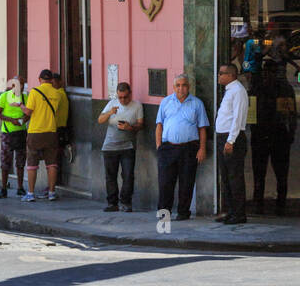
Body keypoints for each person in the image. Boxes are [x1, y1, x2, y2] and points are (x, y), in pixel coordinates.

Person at [155, 73, 208, 221]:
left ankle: (183, 213)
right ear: (173, 87)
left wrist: (202, 148)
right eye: (177, 85)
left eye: (184, 85)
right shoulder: (165, 102)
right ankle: (164, 214)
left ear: (188, 87)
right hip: (167, 148)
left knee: (187, 182)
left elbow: (202, 128)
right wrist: (159, 146)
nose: (181, 88)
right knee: (165, 183)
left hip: (189, 149)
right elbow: (159, 125)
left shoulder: (197, 103)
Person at [251, 58, 297, 214]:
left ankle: (280, 203)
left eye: (270, 72)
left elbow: (291, 114)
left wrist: (291, 133)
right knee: (259, 172)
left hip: (278, 135)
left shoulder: (283, 89)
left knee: (281, 172)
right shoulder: (257, 89)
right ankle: (259, 203)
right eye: (265, 71)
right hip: (261, 134)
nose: (267, 75)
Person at [98, 82, 144, 211]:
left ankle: (126, 202)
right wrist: (110, 113)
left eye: (125, 97)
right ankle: (112, 203)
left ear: (130, 94)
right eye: (120, 97)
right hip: (110, 146)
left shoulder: (137, 106)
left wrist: (130, 127)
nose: (122, 100)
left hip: (127, 146)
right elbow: (100, 120)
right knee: (110, 176)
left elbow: (141, 124)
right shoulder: (113, 103)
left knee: (128, 175)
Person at [19, 69, 63, 202]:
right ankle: (51, 192)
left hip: (35, 132)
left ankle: (31, 193)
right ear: (51, 80)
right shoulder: (57, 93)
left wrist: (21, 105)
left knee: (32, 163)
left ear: (39, 79)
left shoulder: (34, 92)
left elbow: (28, 111)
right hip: (51, 131)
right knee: (52, 164)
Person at [214, 62, 249, 225]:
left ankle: (239, 213)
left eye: (222, 73)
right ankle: (230, 210)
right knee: (226, 177)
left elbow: (238, 118)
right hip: (224, 137)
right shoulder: (229, 91)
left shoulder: (238, 91)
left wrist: (230, 140)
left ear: (231, 75)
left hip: (232, 138)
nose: (219, 76)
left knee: (235, 177)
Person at [0, 77, 28, 198]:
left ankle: (20, 187)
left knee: (20, 162)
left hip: (21, 132)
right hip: (7, 133)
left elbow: (28, 113)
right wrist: (11, 120)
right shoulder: (4, 96)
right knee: (5, 162)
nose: (22, 87)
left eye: (23, 85)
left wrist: (24, 119)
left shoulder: (25, 97)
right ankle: (3, 188)